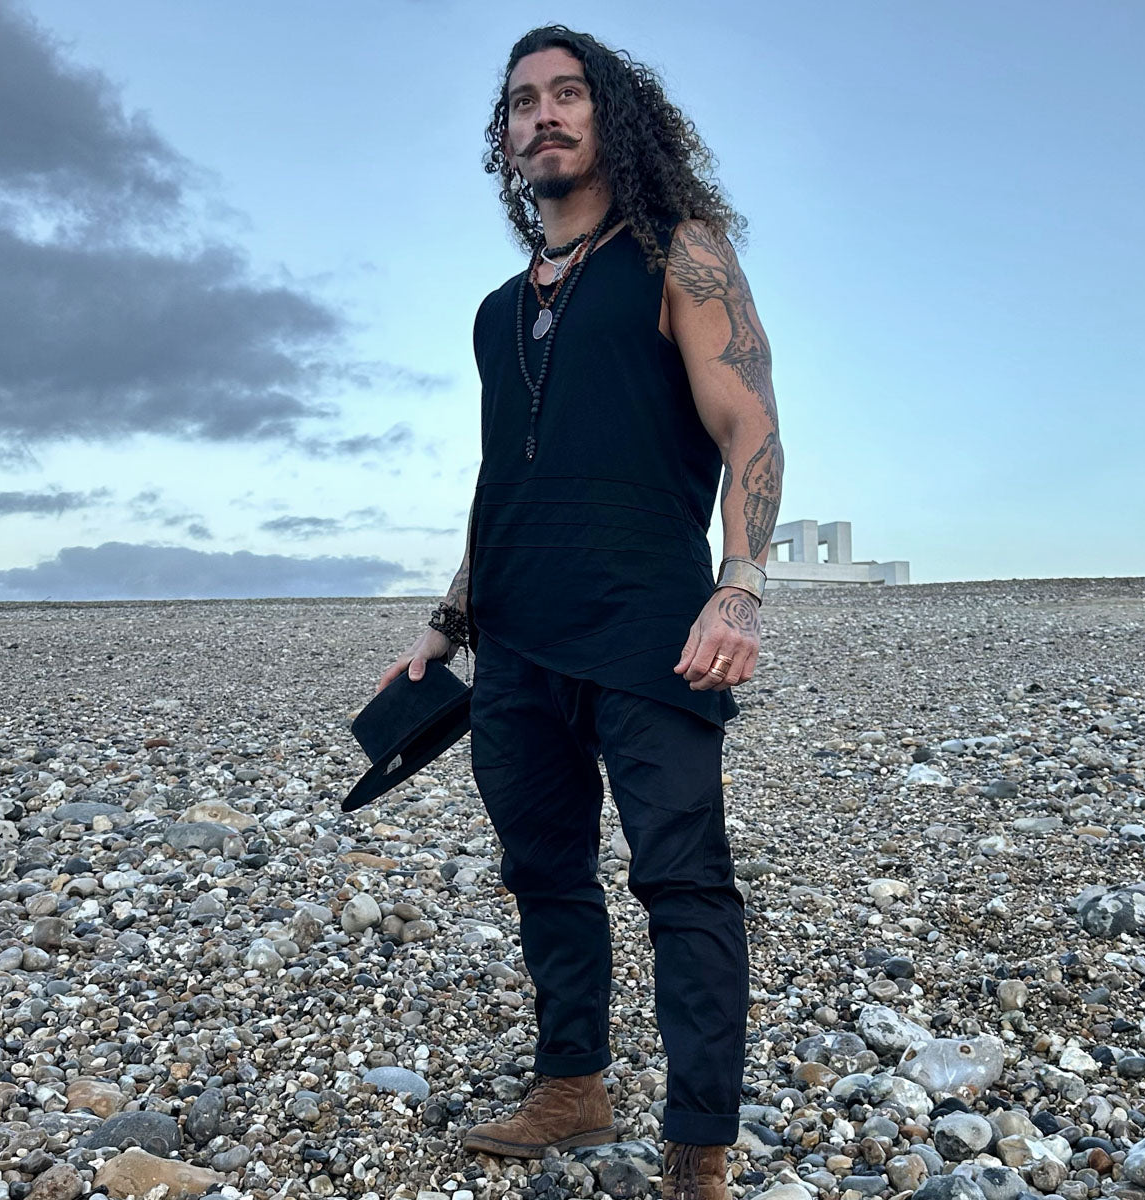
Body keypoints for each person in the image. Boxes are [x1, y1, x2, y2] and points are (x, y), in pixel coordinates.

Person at [376, 25, 783, 1200]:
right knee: (544, 871)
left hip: (652, 628)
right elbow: (502, 474)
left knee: (682, 880)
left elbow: (749, 423)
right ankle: (574, 1084)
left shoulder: (679, 254)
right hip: (515, 636)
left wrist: (742, 586)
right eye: (521, 103)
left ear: (613, 117)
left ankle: (699, 1142)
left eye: (569, 95)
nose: (543, 115)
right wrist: (448, 624)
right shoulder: (496, 308)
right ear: (503, 140)